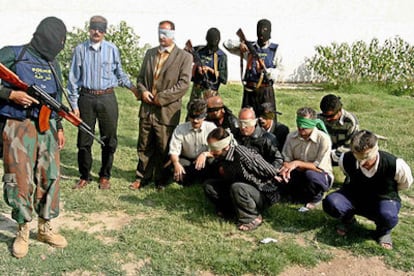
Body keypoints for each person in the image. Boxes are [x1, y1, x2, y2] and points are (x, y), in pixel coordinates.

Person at [0, 17, 68, 258]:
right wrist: (11, 94)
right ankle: (22, 230)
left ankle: (45, 227)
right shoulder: (12, 54)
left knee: (50, 175)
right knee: (19, 177)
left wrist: (59, 126)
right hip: (18, 125)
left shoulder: (54, 64)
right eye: (57, 40)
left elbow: (57, 98)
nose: (59, 44)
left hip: (47, 126)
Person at [68, 15, 139, 190]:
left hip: (107, 97)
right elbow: (73, 80)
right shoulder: (80, 50)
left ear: (105, 32)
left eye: (100, 29)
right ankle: (84, 175)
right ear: (89, 29)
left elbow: (119, 72)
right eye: (94, 28)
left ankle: (105, 176)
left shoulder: (112, 49)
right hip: (87, 98)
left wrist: (133, 88)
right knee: (84, 139)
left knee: (109, 138)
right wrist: (74, 105)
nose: (97, 32)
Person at [129, 20, 192, 191]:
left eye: (166, 33)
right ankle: (142, 177)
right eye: (160, 32)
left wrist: (161, 98)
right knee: (144, 144)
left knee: (164, 146)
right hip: (147, 108)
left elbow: (183, 84)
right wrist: (142, 91)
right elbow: (141, 78)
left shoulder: (184, 57)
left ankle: (161, 179)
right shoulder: (150, 53)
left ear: (173, 34)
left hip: (167, 110)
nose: (162, 36)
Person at [323, 130, 412, 250]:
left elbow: (405, 184)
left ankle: (383, 231)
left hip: (383, 198)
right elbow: (347, 173)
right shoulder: (345, 159)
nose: (363, 163)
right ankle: (348, 219)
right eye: (359, 159)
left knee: (388, 215)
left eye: (366, 158)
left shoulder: (395, 165)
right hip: (354, 196)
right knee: (331, 202)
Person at [204, 127, 281, 231]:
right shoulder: (222, 156)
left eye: (214, 148)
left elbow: (268, 169)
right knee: (209, 186)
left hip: (261, 192)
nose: (211, 151)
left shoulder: (242, 153)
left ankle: (252, 218)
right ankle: (231, 212)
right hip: (240, 190)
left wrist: (275, 177)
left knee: (238, 187)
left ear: (225, 146)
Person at [279, 107, 333, 211]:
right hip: (297, 173)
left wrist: (298, 163)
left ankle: (315, 198)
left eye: (305, 125)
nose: (301, 128)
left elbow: (319, 167)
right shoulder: (291, 137)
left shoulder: (323, 139)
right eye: (299, 124)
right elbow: (286, 159)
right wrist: (286, 169)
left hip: (319, 175)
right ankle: (295, 196)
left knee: (310, 175)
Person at [223, 19, 279, 115]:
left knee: (268, 119)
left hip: (266, 91)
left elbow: (280, 72)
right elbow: (226, 44)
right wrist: (240, 45)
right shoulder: (250, 47)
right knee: (246, 119)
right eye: (259, 29)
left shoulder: (275, 49)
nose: (261, 32)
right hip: (250, 91)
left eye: (265, 29)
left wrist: (265, 70)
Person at [167, 99, 216, 186]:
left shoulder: (211, 128)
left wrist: (205, 154)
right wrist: (176, 163)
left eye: (198, 117)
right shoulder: (180, 129)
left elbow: (216, 150)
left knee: (213, 162)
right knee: (175, 168)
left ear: (204, 116)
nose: (195, 121)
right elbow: (174, 151)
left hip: (205, 159)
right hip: (187, 159)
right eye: (193, 117)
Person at [186, 27, 228, 100]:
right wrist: (196, 67)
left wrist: (210, 70)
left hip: (211, 92)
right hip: (197, 90)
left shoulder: (221, 56)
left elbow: (224, 78)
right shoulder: (199, 50)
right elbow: (185, 54)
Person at [318, 94, 359, 165]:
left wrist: (330, 155)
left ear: (339, 111)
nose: (327, 119)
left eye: (331, 116)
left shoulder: (350, 122)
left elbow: (350, 146)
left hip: (343, 152)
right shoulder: (318, 119)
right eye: (325, 115)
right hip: (323, 151)